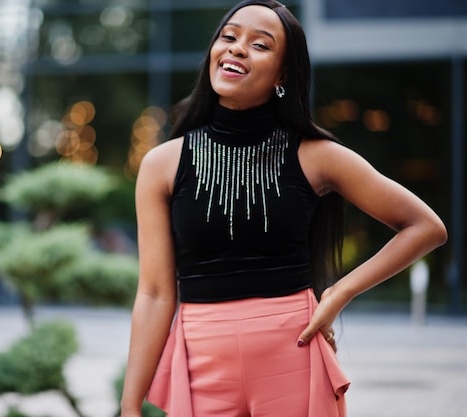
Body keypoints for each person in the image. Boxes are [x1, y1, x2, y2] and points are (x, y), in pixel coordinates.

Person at [120, 1, 448, 416]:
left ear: (283, 75)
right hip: (200, 359)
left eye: (260, 44)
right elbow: (152, 294)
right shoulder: (162, 164)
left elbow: (425, 226)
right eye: (229, 36)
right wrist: (130, 405)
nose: (237, 48)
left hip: (292, 351)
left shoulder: (318, 156)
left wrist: (338, 293)